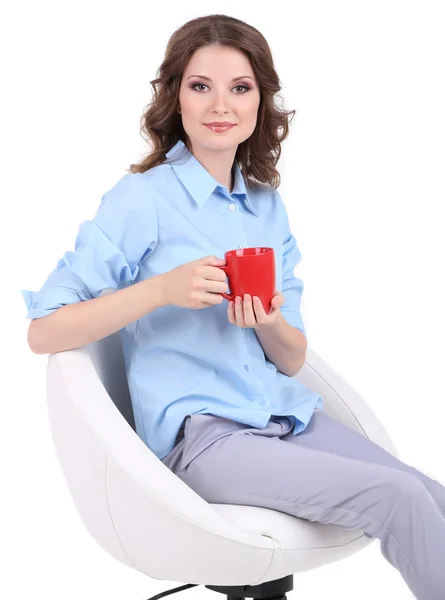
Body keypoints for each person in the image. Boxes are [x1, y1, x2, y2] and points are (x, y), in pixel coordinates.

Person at [21, 14, 445, 599]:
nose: (221, 105)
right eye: (201, 86)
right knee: (396, 499)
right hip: (204, 441)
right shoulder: (142, 199)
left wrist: (269, 319)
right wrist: (161, 291)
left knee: (431, 494)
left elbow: (292, 360)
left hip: (281, 418)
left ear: (260, 102)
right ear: (176, 97)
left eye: (239, 88)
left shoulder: (266, 208)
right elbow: (44, 333)